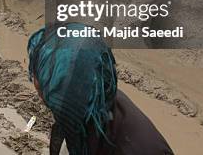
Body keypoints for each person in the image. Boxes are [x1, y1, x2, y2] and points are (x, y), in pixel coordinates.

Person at [28, 23, 174, 155]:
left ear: (60, 88)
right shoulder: (88, 101)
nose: (33, 80)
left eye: (40, 74)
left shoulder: (137, 148)